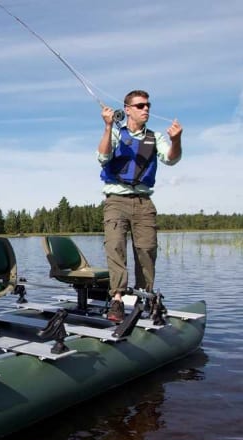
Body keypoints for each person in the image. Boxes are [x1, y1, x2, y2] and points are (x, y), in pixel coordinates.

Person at [97, 90, 182, 322]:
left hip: (144, 202)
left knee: (146, 250)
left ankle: (144, 297)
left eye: (148, 105)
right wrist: (107, 127)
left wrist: (176, 140)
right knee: (115, 246)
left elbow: (171, 159)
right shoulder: (116, 133)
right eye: (140, 105)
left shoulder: (155, 137)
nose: (146, 109)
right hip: (116, 200)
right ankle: (117, 299)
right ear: (127, 110)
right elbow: (103, 157)